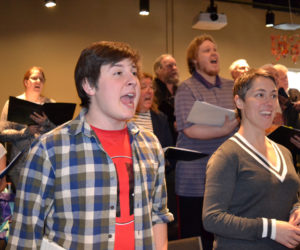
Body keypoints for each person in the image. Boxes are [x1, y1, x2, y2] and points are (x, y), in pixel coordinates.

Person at [7, 41, 173, 250]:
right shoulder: (50, 150)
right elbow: (25, 234)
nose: (132, 81)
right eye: (118, 73)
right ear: (89, 85)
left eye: (133, 72)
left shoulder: (150, 145)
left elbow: (158, 216)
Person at [203, 69, 300, 250]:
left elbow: (290, 197)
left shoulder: (284, 152)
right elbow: (212, 218)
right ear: (239, 101)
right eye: (259, 95)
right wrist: (270, 229)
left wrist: (296, 209)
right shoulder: (227, 155)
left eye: (272, 96)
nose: (269, 103)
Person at [174, 34, 238, 250]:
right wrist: (225, 129)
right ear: (194, 60)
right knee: (195, 239)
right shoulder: (187, 88)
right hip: (194, 177)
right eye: (207, 50)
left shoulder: (232, 87)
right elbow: (189, 129)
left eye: (215, 49)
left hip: (225, 175)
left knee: (222, 237)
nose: (214, 53)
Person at [0, 66, 55, 190]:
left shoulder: (51, 104)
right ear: (26, 82)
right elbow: (1, 132)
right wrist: (26, 132)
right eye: (34, 78)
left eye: (41, 79)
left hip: (45, 164)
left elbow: (59, 132)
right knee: (23, 205)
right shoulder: (12, 104)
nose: (38, 81)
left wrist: (47, 124)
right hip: (20, 167)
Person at [131, 72, 173, 148]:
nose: (149, 91)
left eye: (152, 87)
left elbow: (168, 149)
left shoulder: (161, 119)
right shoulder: (124, 118)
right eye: (143, 87)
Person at [153, 54, 179, 143]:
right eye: (169, 66)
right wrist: (172, 125)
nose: (174, 68)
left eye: (175, 65)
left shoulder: (181, 90)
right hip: (161, 140)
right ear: (158, 70)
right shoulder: (153, 91)